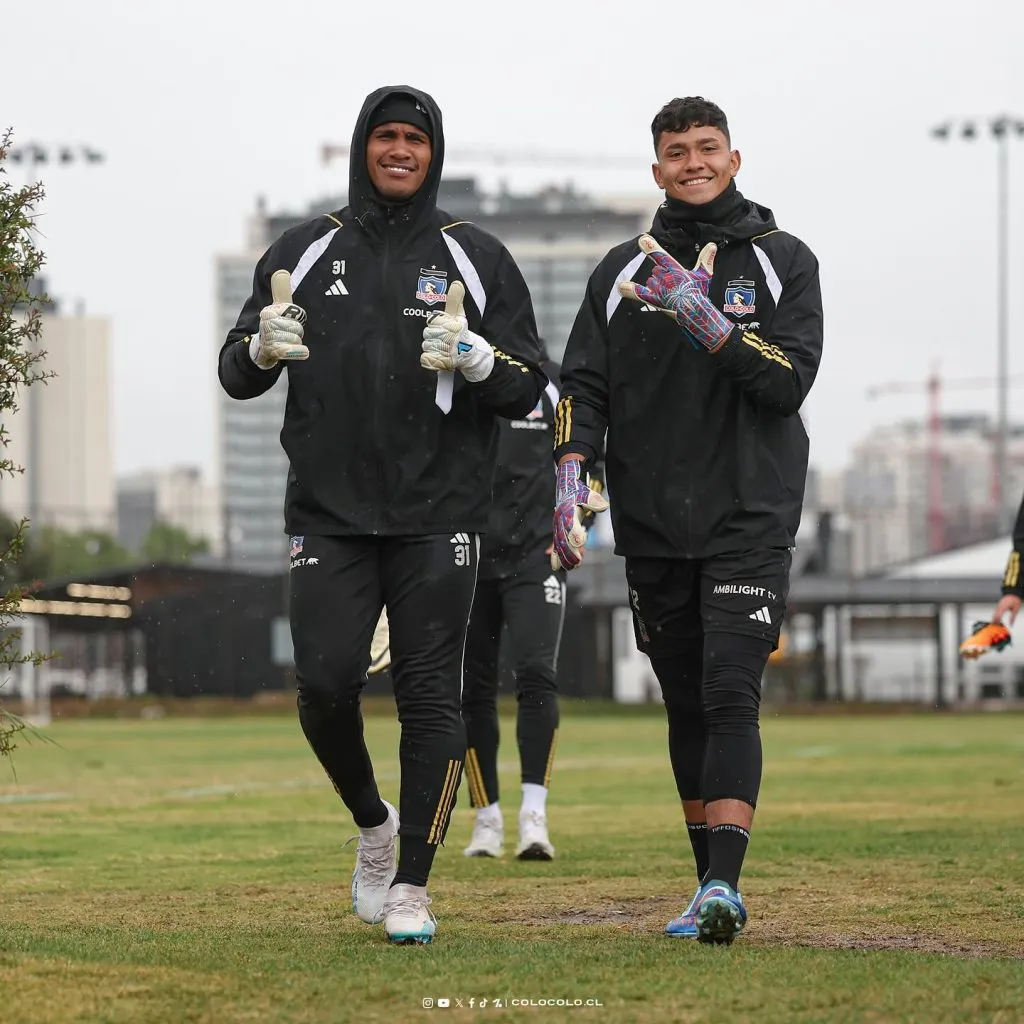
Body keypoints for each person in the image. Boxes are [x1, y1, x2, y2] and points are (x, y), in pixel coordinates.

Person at [218, 85, 545, 945]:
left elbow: (531, 388)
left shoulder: (476, 255)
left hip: (442, 513)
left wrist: (480, 361)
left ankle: (413, 887)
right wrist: (260, 344)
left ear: (435, 153)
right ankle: (375, 825)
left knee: (431, 698)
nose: (400, 151)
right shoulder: (303, 245)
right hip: (326, 513)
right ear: (364, 145)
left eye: (416, 140)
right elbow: (236, 373)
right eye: (386, 137)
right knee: (324, 688)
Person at [551, 96, 823, 944]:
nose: (693, 162)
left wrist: (711, 325)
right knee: (684, 708)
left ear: (734, 159)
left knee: (729, 694)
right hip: (653, 523)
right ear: (657, 168)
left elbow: (789, 383)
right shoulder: (618, 273)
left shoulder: (784, 261)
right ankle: (704, 882)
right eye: (677, 151)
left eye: (708, 148)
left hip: (750, 513)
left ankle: (723, 888)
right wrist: (570, 475)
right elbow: (583, 388)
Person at [460, 347, 604, 861]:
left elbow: (589, 459)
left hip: (535, 556)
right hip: (470, 556)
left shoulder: (555, 384)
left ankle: (533, 817)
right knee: (470, 690)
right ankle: (486, 818)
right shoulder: (461, 369)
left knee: (536, 677)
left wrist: (576, 523)